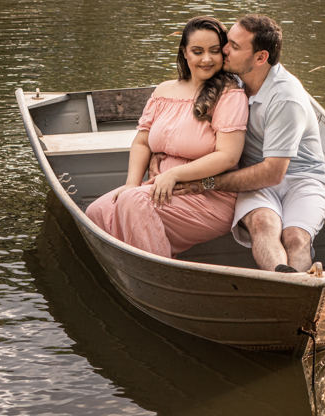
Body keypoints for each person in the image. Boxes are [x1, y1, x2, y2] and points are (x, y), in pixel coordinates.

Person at [160, 14, 325, 273]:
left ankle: (298, 290)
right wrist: (158, 152)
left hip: (302, 178)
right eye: (228, 41)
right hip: (254, 175)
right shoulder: (232, 79)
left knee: (295, 237)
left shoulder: (286, 98)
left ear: (261, 58)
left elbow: (273, 173)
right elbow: (181, 122)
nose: (224, 50)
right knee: (262, 223)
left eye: (235, 47)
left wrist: (206, 183)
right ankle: (286, 281)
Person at [85, 16, 248, 259]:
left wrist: (173, 174)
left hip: (207, 194)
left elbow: (227, 156)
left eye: (214, 51)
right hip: (158, 186)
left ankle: (157, 277)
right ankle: (128, 270)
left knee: (132, 204)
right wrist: (132, 183)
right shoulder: (164, 91)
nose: (206, 59)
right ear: (184, 52)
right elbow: (141, 141)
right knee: (96, 211)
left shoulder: (230, 96)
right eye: (197, 51)